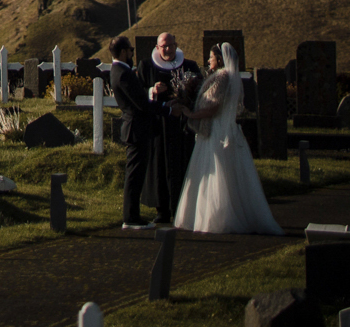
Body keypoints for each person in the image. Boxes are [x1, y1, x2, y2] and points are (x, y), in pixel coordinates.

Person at [173, 43, 281, 235]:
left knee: (214, 172)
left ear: (220, 59)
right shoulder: (230, 77)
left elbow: (213, 107)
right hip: (226, 130)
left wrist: (191, 114)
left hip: (215, 131)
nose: (208, 60)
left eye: (211, 57)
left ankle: (215, 217)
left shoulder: (222, 77)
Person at [104, 36, 168, 228]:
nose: (132, 54)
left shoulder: (118, 70)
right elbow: (139, 103)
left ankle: (132, 215)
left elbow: (138, 95)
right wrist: (167, 109)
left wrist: (151, 92)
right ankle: (131, 217)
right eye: (130, 50)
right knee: (134, 175)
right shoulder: (123, 73)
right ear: (123, 52)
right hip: (136, 129)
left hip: (136, 127)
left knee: (136, 174)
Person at [145, 31, 203, 214]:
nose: (168, 49)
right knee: (161, 166)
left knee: (182, 164)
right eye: (164, 46)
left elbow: (199, 91)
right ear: (157, 48)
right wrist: (152, 91)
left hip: (182, 126)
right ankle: (162, 210)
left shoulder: (189, 66)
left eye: (171, 45)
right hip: (160, 126)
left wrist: (184, 101)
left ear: (176, 46)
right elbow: (139, 94)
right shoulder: (147, 67)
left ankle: (185, 208)